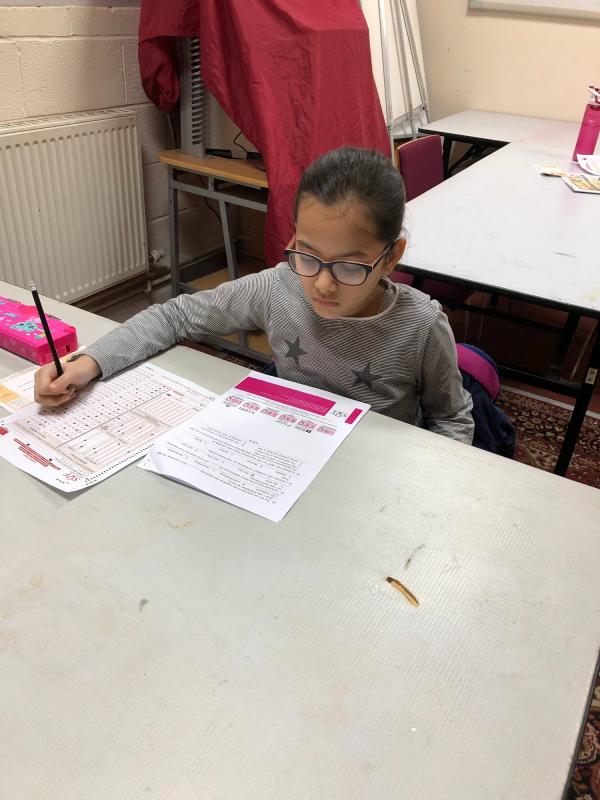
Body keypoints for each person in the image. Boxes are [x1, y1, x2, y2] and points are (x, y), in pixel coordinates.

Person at [34, 147, 474, 445]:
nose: (323, 285)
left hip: (377, 470)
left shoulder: (421, 326)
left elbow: (452, 420)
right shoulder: (279, 287)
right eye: (308, 255)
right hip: (289, 451)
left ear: (391, 256)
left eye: (348, 266)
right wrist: (89, 363)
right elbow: (173, 317)